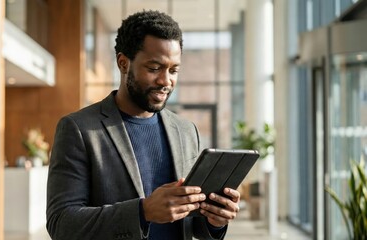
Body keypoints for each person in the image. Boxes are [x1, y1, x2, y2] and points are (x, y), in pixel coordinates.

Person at [46, 10, 240, 240]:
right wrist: (143, 211)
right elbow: (61, 224)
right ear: (123, 63)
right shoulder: (78, 129)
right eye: (154, 68)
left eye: (173, 70)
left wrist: (215, 220)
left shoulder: (186, 131)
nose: (166, 81)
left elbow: (192, 223)